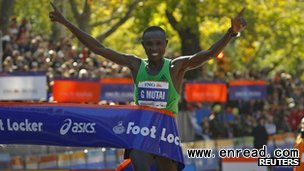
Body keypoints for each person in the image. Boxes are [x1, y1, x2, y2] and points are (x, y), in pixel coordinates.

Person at [49, 2, 246, 171]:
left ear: (166, 44)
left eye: (158, 44)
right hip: (141, 130)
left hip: (165, 131)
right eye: (149, 44)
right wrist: (67, 23)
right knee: (140, 162)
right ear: (143, 45)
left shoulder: (175, 67)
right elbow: (98, 48)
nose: (154, 49)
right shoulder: (136, 65)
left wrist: (231, 33)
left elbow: (210, 54)